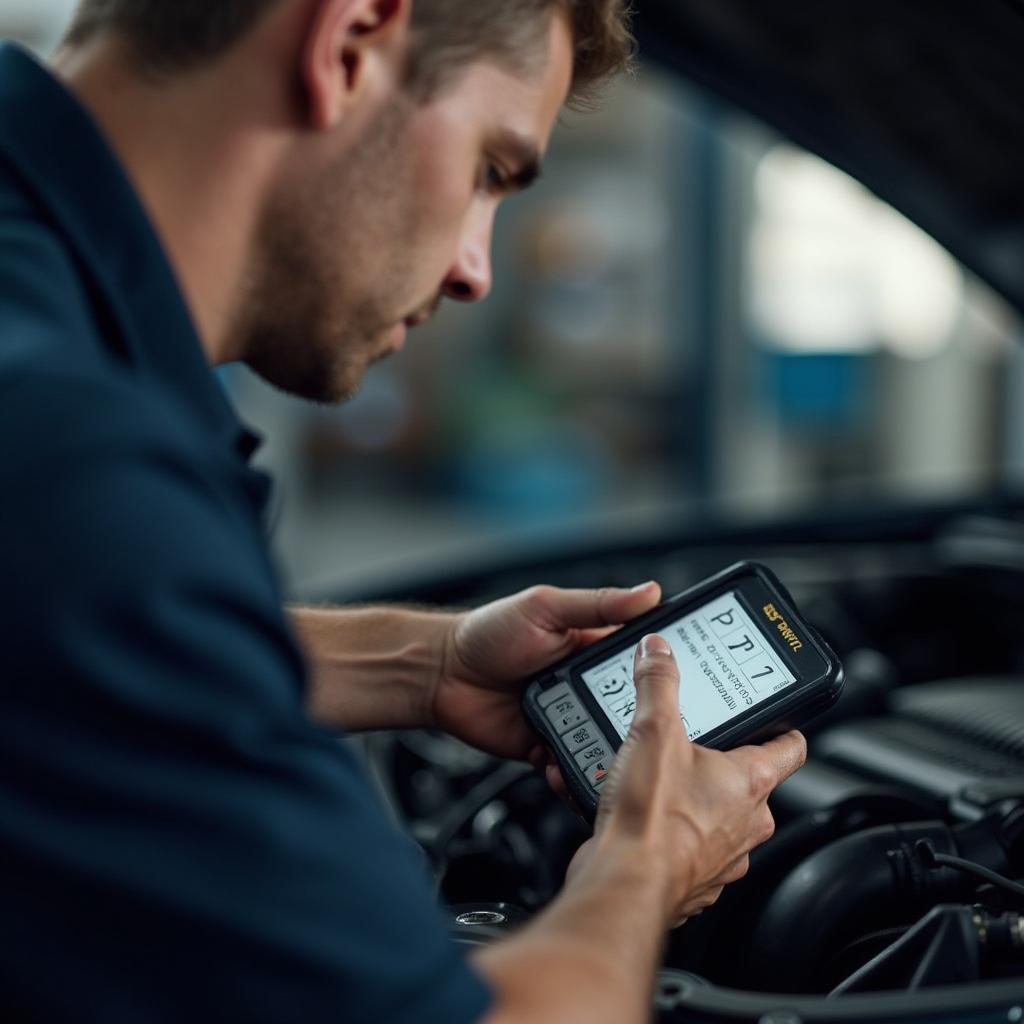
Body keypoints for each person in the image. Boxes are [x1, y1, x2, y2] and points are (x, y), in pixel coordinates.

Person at [0, 1, 807, 1020]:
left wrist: (423, 664)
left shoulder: (50, 346)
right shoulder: (74, 458)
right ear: (346, 44)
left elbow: (60, 641)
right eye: (489, 169)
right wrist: (648, 862)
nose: (476, 267)